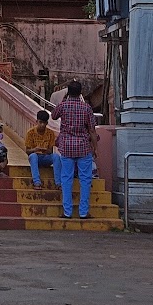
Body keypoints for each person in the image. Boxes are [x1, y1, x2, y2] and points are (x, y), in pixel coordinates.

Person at [51, 80, 98, 219]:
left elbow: (53, 115)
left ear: (67, 92)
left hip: (66, 147)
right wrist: (95, 148)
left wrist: (63, 100)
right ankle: (83, 212)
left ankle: (67, 212)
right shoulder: (87, 108)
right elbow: (92, 130)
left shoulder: (63, 106)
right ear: (80, 92)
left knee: (66, 179)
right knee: (85, 180)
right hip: (83, 147)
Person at [23, 109, 60, 190]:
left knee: (56, 157)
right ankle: (37, 182)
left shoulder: (50, 133)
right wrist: (35, 149)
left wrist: (45, 150)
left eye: (44, 123)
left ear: (47, 123)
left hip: (46, 157)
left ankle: (58, 183)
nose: (42, 125)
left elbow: (51, 151)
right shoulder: (30, 133)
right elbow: (27, 151)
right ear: (37, 121)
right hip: (36, 157)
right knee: (33, 156)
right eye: (40, 122)